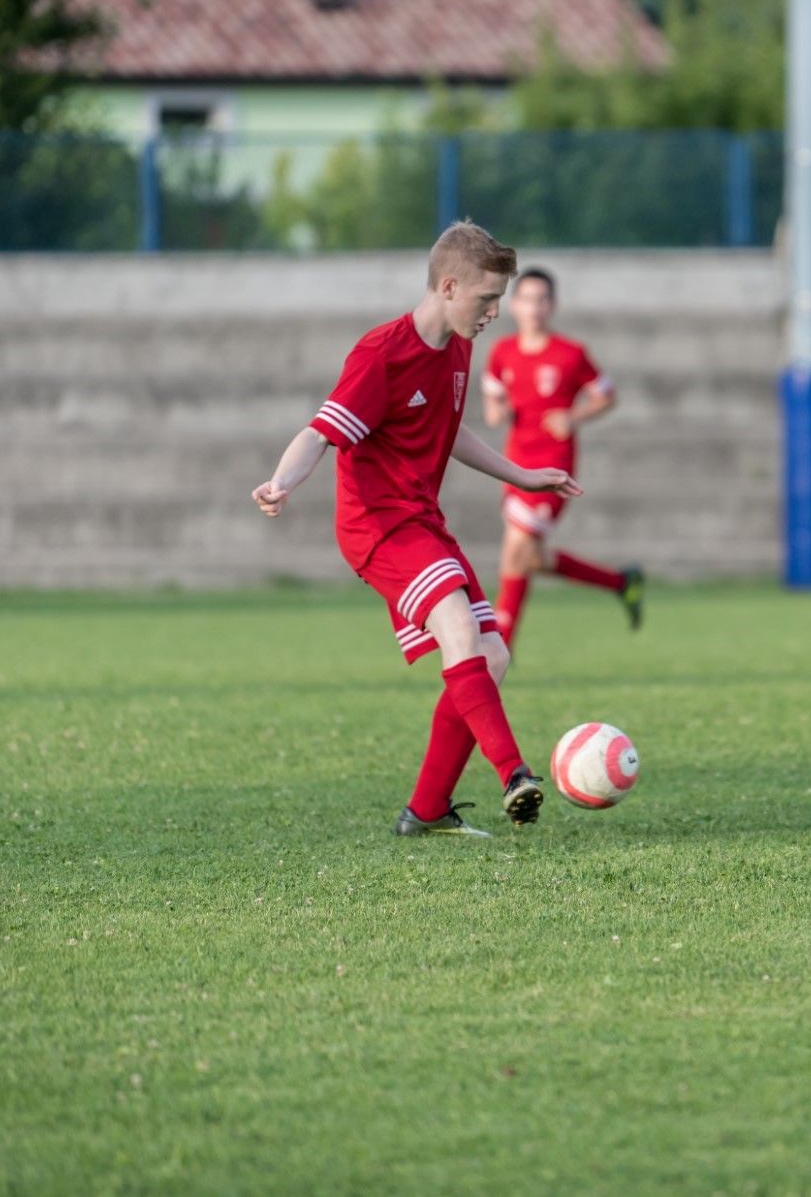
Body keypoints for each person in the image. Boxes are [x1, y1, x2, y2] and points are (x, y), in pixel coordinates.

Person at [250, 221, 578, 839]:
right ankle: (514, 773)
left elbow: (450, 431)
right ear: (448, 286)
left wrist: (521, 474)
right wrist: (282, 482)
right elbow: (320, 431)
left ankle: (426, 810)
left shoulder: (457, 343)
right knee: (458, 624)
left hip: (421, 519)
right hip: (375, 523)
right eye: (487, 299)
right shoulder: (381, 354)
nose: (495, 312)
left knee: (493, 653)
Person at [481, 268, 644, 651]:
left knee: (517, 550)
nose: (534, 308)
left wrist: (573, 417)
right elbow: (492, 400)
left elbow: (606, 395)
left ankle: (498, 649)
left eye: (542, 300)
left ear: (552, 305)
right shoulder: (502, 352)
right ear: (514, 305)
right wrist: (497, 412)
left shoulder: (570, 354)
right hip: (514, 466)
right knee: (533, 558)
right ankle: (622, 583)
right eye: (527, 299)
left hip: (553, 467)